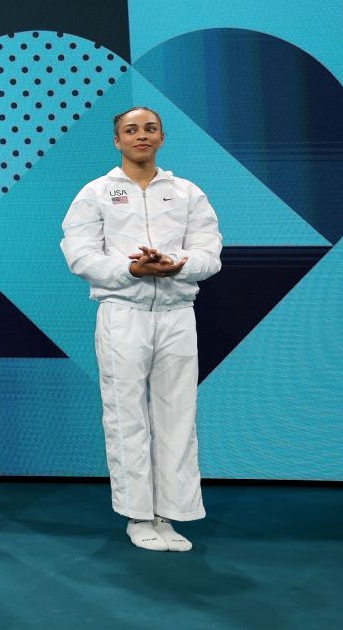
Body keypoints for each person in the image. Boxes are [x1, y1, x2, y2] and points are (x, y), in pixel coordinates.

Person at [60, 107, 222, 552]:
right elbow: (80, 254)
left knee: (177, 414)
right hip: (122, 313)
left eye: (149, 128)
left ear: (162, 137)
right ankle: (137, 516)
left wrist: (178, 265)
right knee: (126, 414)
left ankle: (171, 514)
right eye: (131, 130)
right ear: (117, 141)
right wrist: (131, 268)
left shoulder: (187, 192)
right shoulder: (96, 192)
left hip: (176, 314)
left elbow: (211, 251)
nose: (141, 135)